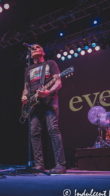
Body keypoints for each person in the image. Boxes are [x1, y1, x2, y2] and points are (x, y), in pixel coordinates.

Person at [21, 44, 66, 174]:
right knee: (34, 133)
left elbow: (58, 82)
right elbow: (25, 87)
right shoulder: (28, 70)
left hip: (49, 100)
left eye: (36, 47)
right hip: (34, 104)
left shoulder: (50, 64)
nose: (33, 49)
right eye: (31, 48)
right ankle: (39, 165)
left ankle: (60, 165)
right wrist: (23, 96)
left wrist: (48, 92)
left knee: (53, 130)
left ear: (43, 52)